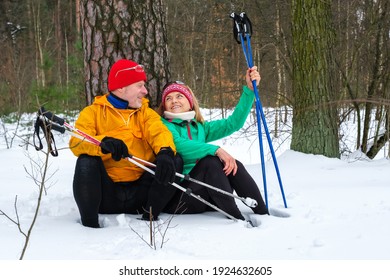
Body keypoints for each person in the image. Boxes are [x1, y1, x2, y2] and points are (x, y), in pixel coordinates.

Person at [69, 59, 182, 228]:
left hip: (141, 195)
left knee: (174, 159)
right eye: (139, 85)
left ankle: (150, 220)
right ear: (122, 87)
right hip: (106, 196)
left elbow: (159, 132)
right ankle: (90, 227)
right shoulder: (93, 112)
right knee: (86, 161)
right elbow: (77, 142)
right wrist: (103, 143)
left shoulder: (145, 113)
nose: (145, 91)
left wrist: (165, 151)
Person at [156, 66, 269, 221]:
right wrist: (216, 150)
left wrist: (249, 91)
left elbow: (232, 124)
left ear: (190, 102)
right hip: (179, 197)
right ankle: (237, 220)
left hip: (203, 194)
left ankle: (264, 214)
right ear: (164, 105)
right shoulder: (162, 125)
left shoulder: (200, 127)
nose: (174, 100)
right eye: (168, 98)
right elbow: (178, 144)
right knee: (211, 162)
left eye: (179, 96)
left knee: (233, 164)